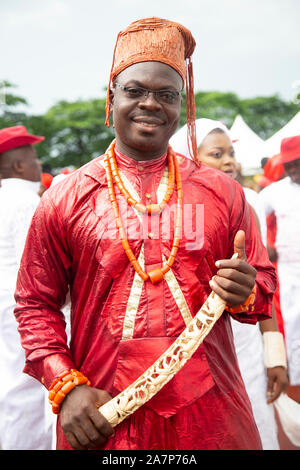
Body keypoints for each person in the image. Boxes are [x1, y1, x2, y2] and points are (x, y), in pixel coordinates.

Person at [14, 18, 276, 451]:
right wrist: (65, 384)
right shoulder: (66, 197)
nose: (150, 104)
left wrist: (246, 290)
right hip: (103, 412)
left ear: (182, 105)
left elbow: (263, 286)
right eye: (135, 91)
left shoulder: (224, 193)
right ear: (111, 97)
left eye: (166, 94)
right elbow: (34, 303)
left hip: (212, 415)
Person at [170, 118, 289, 449]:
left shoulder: (245, 202)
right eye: (216, 153)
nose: (229, 162)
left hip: (242, 339)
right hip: (187, 347)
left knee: (249, 427)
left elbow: (262, 283)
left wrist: (274, 354)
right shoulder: (172, 208)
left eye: (231, 153)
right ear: (188, 158)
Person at [0, 125, 53, 449]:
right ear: (19, 166)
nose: (39, 164)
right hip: (22, 308)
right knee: (27, 389)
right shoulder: (25, 202)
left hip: (7, 305)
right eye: (33, 158)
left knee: (9, 384)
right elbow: (39, 265)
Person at [259, 136, 300, 398]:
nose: (294, 170)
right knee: (294, 322)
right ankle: (295, 381)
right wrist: (264, 246)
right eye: (289, 166)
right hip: (289, 270)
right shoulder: (273, 192)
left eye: (298, 164)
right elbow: (254, 218)